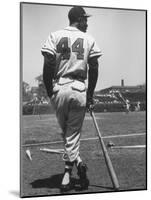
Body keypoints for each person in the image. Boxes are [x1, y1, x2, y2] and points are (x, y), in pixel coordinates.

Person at [41, 6, 102, 192]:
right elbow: (94, 67)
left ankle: (75, 166)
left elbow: (49, 63)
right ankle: (69, 173)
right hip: (78, 88)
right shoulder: (89, 39)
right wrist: (90, 95)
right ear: (78, 19)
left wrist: (50, 90)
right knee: (72, 134)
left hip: (59, 87)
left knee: (66, 133)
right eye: (85, 19)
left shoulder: (54, 35)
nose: (87, 23)